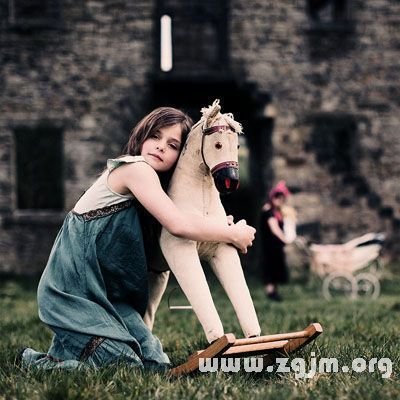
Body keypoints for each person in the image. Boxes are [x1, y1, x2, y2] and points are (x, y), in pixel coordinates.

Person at [20, 107, 256, 371]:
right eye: (155, 136)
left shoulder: (155, 191)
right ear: (142, 136)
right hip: (72, 290)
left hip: (110, 297)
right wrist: (233, 234)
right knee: (124, 365)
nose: (161, 147)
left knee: (156, 363)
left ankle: (72, 347)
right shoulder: (136, 169)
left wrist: (215, 226)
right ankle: (33, 362)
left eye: (173, 144)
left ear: (181, 153)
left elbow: (176, 231)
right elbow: (178, 225)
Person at [259, 181, 296, 302]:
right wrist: (285, 239)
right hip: (270, 246)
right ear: (272, 197)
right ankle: (270, 293)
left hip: (275, 246)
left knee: (275, 268)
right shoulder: (268, 211)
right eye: (277, 198)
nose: (279, 201)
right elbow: (274, 229)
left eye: (281, 199)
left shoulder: (275, 211)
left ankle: (274, 291)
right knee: (270, 268)